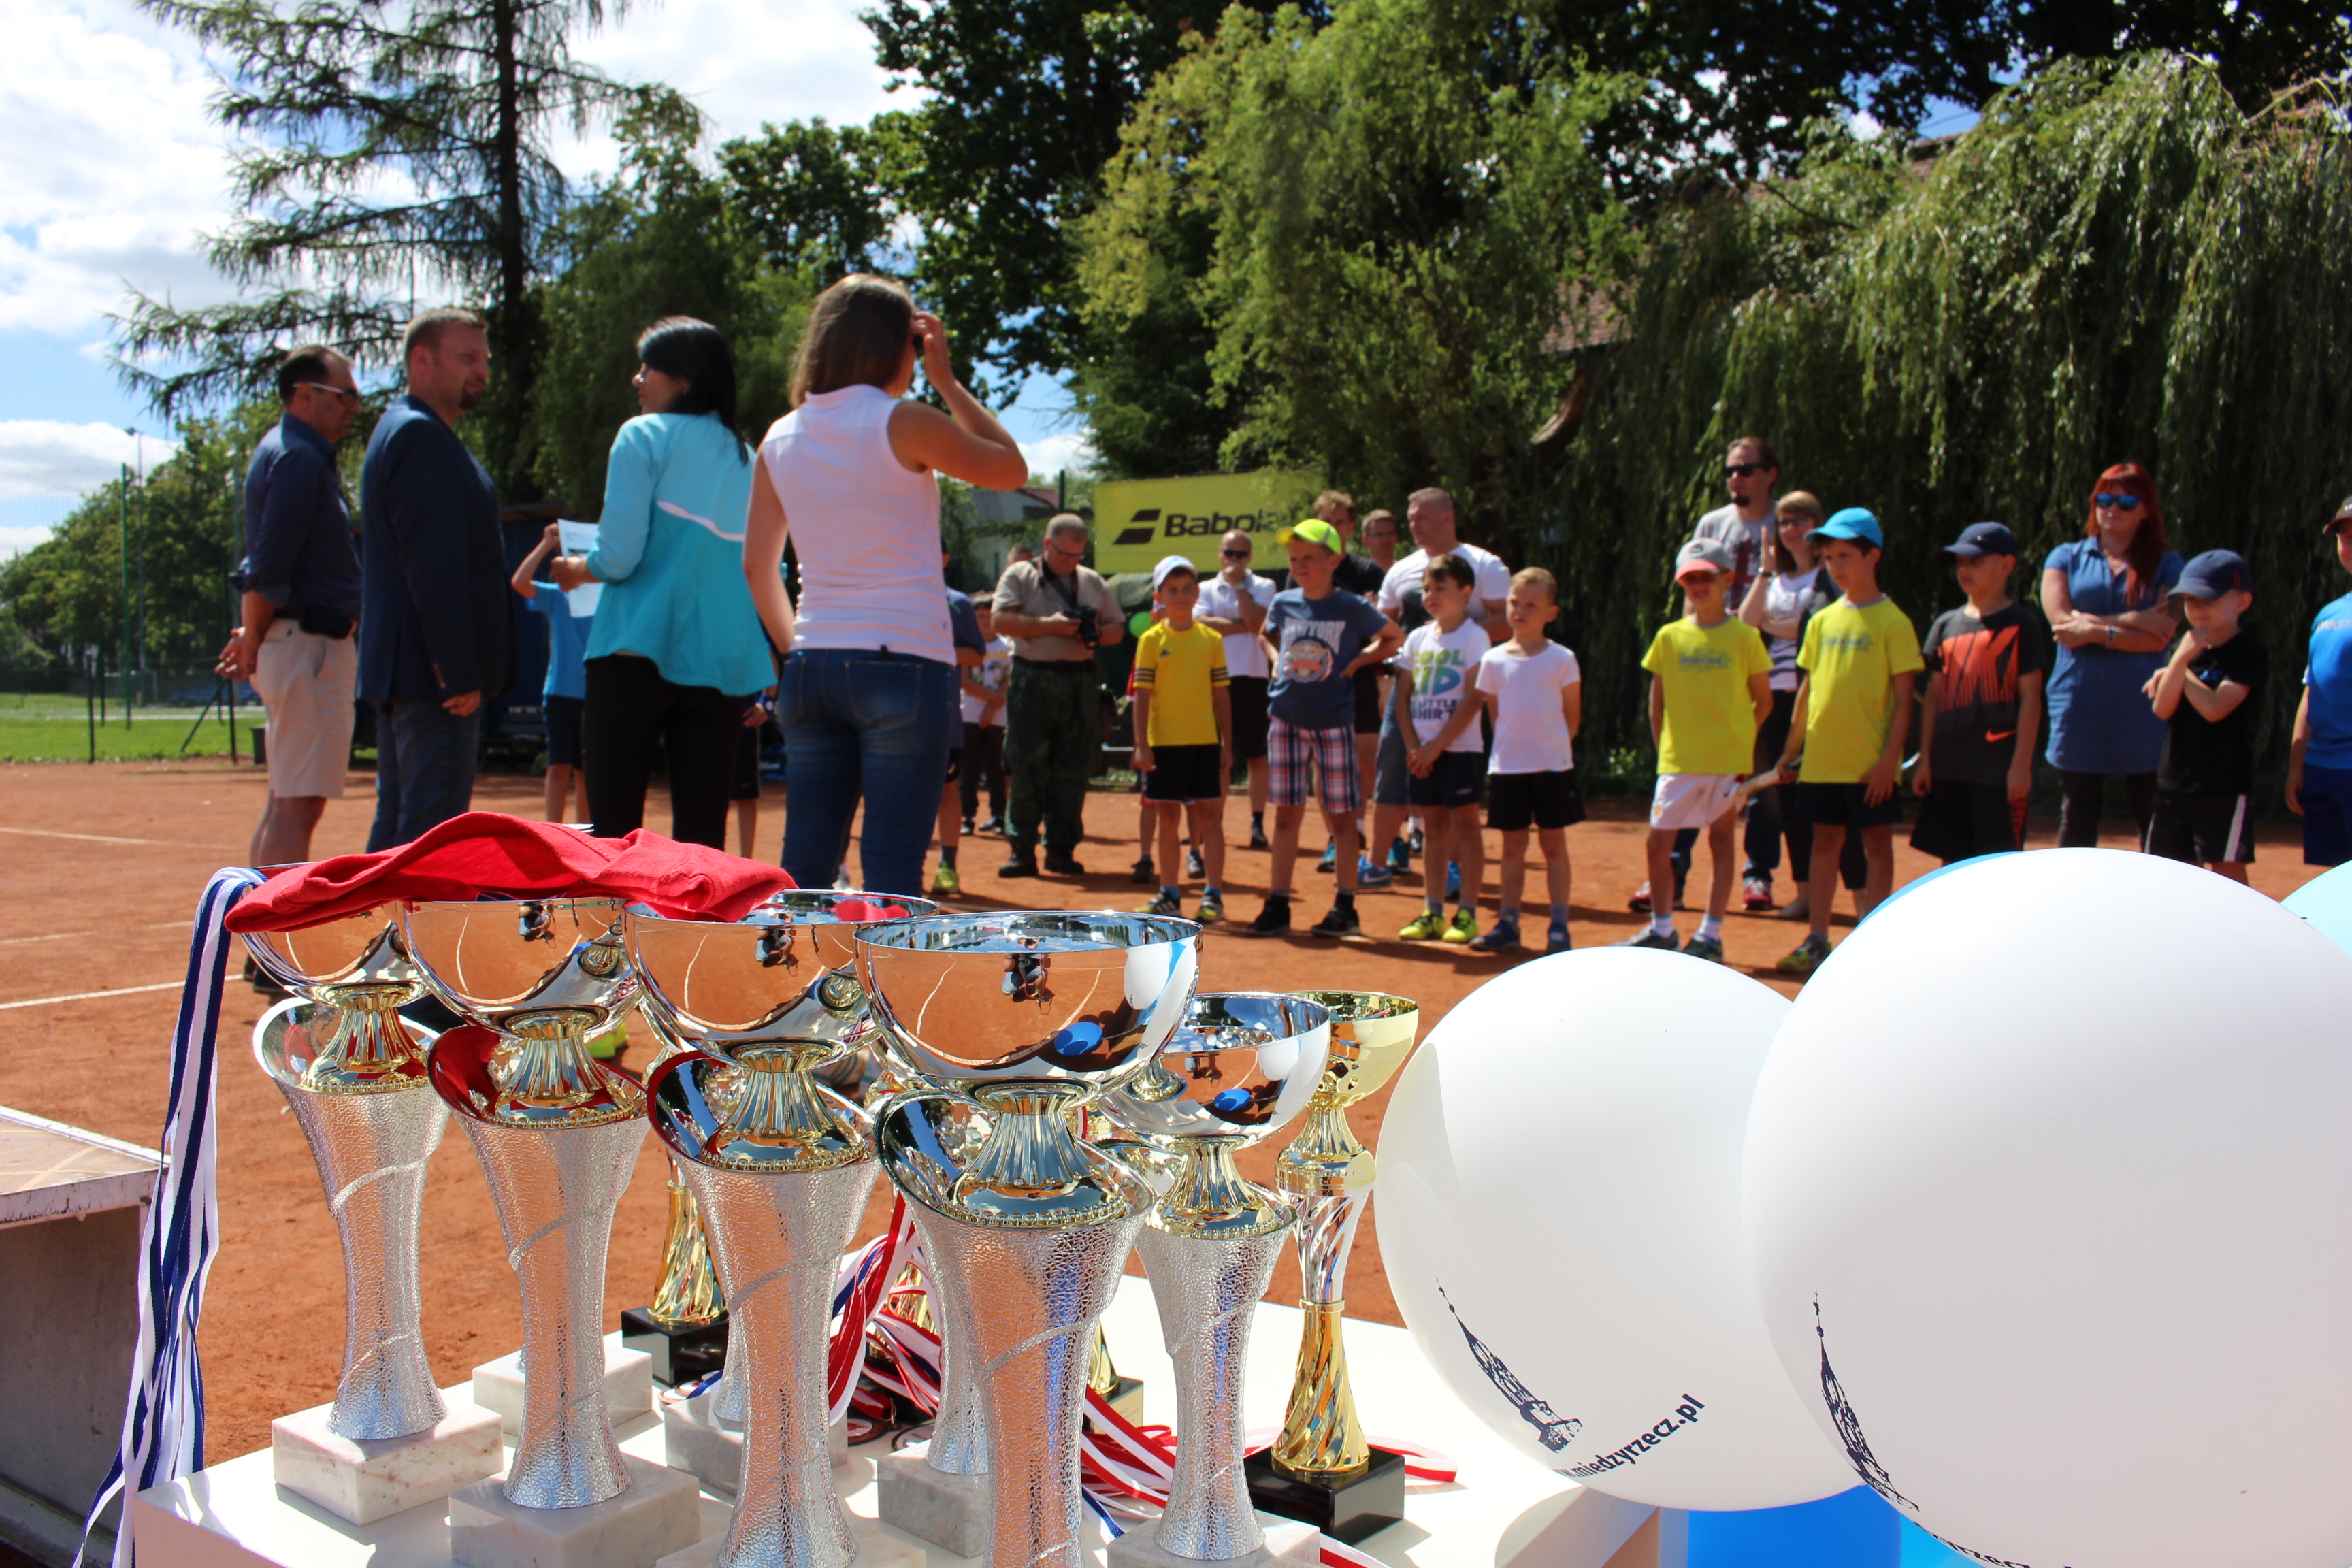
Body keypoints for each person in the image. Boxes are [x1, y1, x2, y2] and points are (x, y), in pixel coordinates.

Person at [747, 276, 1028, 895]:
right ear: (898, 345)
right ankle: (885, 966)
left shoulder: (779, 435)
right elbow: (1011, 469)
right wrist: (947, 380)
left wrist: (799, 651)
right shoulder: (905, 421)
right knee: (894, 872)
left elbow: (757, 566)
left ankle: (800, 964)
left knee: (804, 870)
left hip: (813, 665)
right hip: (905, 663)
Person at [540, 318, 769, 849]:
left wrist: (576, 570)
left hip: (631, 653)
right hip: (720, 664)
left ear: (684, 378)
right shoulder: (750, 458)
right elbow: (762, 568)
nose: (637, 379)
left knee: (614, 833)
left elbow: (617, 557)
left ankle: (613, 912)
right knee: (703, 843)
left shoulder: (641, 435)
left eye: (648, 368)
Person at [359, 308, 509, 851]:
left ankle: (378, 915)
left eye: (485, 359)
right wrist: (457, 670)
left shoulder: (406, 429)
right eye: (467, 357)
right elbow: (432, 564)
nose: (482, 370)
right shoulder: (419, 435)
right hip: (433, 681)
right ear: (421, 360)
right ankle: (405, 916)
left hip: (414, 675)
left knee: (400, 833)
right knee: (431, 844)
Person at [221, 343, 363, 871]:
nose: (354, 407)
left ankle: (259, 922)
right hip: (309, 646)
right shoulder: (300, 458)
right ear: (305, 394)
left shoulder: (284, 451)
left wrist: (252, 634)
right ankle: (275, 926)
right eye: (344, 395)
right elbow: (268, 566)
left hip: (297, 643)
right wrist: (252, 637)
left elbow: (264, 562)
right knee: (297, 807)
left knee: (286, 802)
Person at [1632, 435, 1782, 916]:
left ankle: (1758, 874)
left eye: (1747, 469)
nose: (1736, 478)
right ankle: (1671, 879)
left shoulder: (1785, 523)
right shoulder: (1712, 524)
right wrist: (1691, 637)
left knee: (1756, 780)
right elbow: (1689, 591)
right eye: (1730, 470)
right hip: (1705, 655)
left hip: (1766, 656)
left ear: (1770, 474)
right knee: (1689, 782)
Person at [1771, 509, 1922, 975]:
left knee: (1876, 845)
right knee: (1823, 844)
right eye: (1829, 557)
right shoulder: (1820, 621)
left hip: (1869, 766)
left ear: (1872, 556)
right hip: (1821, 762)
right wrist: (1791, 751)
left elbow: (1904, 701)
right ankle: (1817, 939)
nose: (1835, 566)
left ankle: (1873, 941)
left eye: (1845, 556)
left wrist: (1888, 762)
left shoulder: (1894, 622)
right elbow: (1807, 693)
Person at [1242, 519, 1401, 939]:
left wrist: (1357, 662)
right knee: (1285, 816)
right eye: (1294, 559)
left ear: (1334, 560)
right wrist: (1275, 659)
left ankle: (1345, 907)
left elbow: (1393, 637)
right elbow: (1264, 634)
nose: (1300, 566)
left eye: (1309, 558)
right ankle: (1278, 904)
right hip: (1285, 719)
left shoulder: (1351, 605)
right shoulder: (1284, 602)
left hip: (1333, 722)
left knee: (1341, 818)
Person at [1622, 540, 1772, 961]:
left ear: (1727, 579)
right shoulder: (1669, 636)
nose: (1698, 585)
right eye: (1690, 578)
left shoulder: (1746, 638)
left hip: (1727, 762)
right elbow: (1656, 704)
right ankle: (1663, 929)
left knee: (1722, 841)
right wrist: (1665, 751)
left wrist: (1739, 744)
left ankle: (1711, 934)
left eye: (1707, 576)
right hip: (1678, 761)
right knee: (1658, 845)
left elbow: (1764, 702)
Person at [2041, 463, 2184, 848]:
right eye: (2104, 500)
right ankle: (2075, 889)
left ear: (2146, 509)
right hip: (2079, 702)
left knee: (2153, 814)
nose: (2112, 509)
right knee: (2078, 812)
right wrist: (2134, 620)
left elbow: (2160, 637)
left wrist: (2092, 629)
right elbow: (2062, 627)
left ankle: (2162, 889)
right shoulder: (2065, 558)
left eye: (2126, 502)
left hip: (2144, 705)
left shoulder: (2169, 563)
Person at [1374, 487, 1512, 878]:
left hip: (1461, 689)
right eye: (1411, 519)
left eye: (1421, 517)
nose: (1413, 525)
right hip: (1410, 686)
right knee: (1394, 767)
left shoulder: (1485, 564)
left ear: (1447, 518)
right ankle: (1379, 861)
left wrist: (1453, 634)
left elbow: (1508, 620)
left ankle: (1454, 868)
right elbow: (1385, 626)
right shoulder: (1400, 570)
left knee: (1454, 782)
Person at [1737, 491, 1862, 919]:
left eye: (1801, 520)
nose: (1792, 529)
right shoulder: (1776, 580)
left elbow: (1813, 629)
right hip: (1775, 698)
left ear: (1817, 526)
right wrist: (1765, 569)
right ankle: (1806, 894)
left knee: (1832, 801)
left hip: (1817, 699)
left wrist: (1775, 623)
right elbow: (1747, 625)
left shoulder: (1831, 576)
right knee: (1787, 798)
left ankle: (1860, 898)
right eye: (1785, 521)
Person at [992, 514, 1127, 876]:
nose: (1071, 562)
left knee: (1074, 767)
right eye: (1064, 554)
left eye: (1077, 555)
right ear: (1047, 545)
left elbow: (1117, 628)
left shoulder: (1092, 581)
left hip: (1079, 679)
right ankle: (1022, 850)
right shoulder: (1020, 575)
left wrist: (1094, 631)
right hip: (1031, 676)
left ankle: (1061, 850)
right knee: (1026, 763)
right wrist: (1049, 626)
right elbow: (1000, 621)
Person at [1910, 523, 2051, 863]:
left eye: (1976, 561)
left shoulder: (2023, 624)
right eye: (1960, 562)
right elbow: (1933, 697)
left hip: (1998, 776)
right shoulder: (1945, 624)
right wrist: (1925, 760)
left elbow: (2031, 698)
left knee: (1998, 869)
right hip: (1947, 772)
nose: (1965, 569)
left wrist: (2021, 767)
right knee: (1952, 869)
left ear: (2007, 565)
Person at [1467, 568, 1582, 955]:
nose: (1521, 611)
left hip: (1553, 768)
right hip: (1509, 768)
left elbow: (1572, 715)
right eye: (1515, 602)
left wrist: (1553, 749)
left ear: (1551, 612)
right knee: (1512, 848)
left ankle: (1559, 925)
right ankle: (1509, 922)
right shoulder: (1493, 660)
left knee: (1554, 845)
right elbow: (1495, 715)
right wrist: (1513, 750)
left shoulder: (1563, 659)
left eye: (1532, 605)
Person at [2145, 550, 2266, 881]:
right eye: (2190, 600)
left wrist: (2178, 669)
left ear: (2242, 602)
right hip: (2174, 785)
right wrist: (2180, 660)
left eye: (2208, 600)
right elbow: (2162, 708)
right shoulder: (2184, 650)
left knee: (2227, 877)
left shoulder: (2250, 651)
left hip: (2223, 786)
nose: (2197, 609)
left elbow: (2215, 708)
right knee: (2176, 877)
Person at [1388, 553, 1491, 943]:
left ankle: (1467, 915)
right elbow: (1402, 698)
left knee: (1466, 828)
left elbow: (1474, 699)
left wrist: (1435, 747)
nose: (1430, 596)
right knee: (1433, 830)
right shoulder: (1417, 637)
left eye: (1440, 588)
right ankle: (1432, 913)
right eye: (1426, 589)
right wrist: (1415, 748)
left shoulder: (1475, 637)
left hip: (1460, 750)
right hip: (1422, 755)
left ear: (1465, 593)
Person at [1131, 555, 1233, 922]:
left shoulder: (1212, 640)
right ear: (1159, 596)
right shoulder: (1149, 640)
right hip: (1164, 744)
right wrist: (1141, 744)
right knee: (1168, 820)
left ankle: (1213, 896)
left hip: (1205, 743)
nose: (1181, 596)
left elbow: (1221, 694)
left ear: (1197, 592)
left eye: (1188, 588)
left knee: (1211, 820)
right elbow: (1142, 695)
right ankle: (1170, 894)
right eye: (1172, 590)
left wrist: (1227, 743)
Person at [1197, 528, 1277, 848]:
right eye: (1229, 553)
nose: (1234, 560)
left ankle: (1257, 824)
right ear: (1220, 553)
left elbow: (1258, 623)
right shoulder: (1204, 588)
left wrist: (1241, 588)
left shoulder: (1264, 586)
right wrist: (1246, 626)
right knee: (1217, 755)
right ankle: (1211, 823)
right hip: (1214, 679)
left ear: (1250, 557)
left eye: (1241, 555)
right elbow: (1202, 625)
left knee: (1257, 755)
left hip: (1254, 678)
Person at [510, 523, 593, 823]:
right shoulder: (557, 595)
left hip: (593, 695)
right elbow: (520, 582)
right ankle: (554, 834)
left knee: (585, 772)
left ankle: (586, 836)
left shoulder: (604, 596)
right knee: (558, 767)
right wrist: (546, 544)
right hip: (559, 693)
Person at [2286, 496, 2352, 864]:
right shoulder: (2328, 615)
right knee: (2333, 880)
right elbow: (2313, 692)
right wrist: (2298, 765)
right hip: (2322, 769)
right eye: (2347, 537)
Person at [931, 572, 989, 895]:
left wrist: (933, 649)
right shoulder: (889, 594)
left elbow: (976, 654)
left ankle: (947, 866)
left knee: (947, 787)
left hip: (943, 716)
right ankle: (904, 870)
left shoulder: (957, 603)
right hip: (890, 719)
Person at [959, 601, 1011, 834]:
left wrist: (991, 708)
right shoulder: (968, 646)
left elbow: (1010, 680)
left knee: (997, 769)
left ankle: (999, 817)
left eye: (989, 615)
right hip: (969, 716)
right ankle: (967, 817)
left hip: (999, 718)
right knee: (967, 768)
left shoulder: (1008, 646)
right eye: (979, 616)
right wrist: (992, 698)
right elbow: (964, 681)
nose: (984, 621)